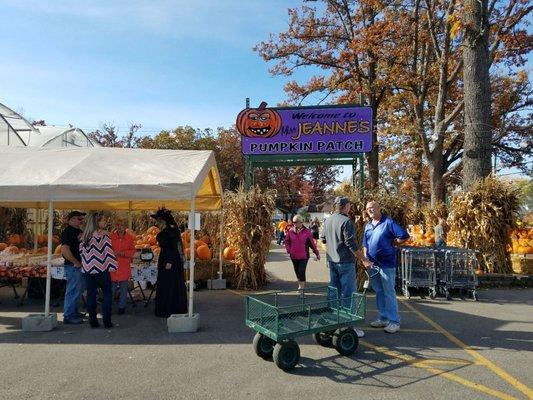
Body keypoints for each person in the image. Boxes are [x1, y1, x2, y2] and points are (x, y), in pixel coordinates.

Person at [321, 196, 373, 338]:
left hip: (332, 262)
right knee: (349, 294)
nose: (350, 208)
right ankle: (349, 326)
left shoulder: (328, 220)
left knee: (334, 293)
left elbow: (323, 239)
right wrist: (364, 260)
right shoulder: (346, 221)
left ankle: (333, 321)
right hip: (345, 262)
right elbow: (351, 244)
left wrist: (332, 250)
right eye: (349, 205)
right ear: (344, 207)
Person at [363, 201, 409, 334]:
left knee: (389, 292)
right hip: (373, 265)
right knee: (379, 291)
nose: (370, 210)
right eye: (368, 209)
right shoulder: (368, 226)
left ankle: (394, 321)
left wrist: (394, 242)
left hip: (386, 264)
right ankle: (383, 318)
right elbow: (365, 243)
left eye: (372, 208)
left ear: (378, 208)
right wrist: (365, 258)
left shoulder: (388, 222)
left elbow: (404, 236)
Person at [79, 212, 118, 328]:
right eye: (103, 221)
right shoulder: (103, 236)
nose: (105, 222)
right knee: (107, 294)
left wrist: (87, 263)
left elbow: (81, 252)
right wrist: (112, 266)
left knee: (91, 295)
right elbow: (108, 252)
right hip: (101, 269)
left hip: (88, 270)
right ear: (98, 222)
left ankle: (93, 321)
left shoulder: (84, 236)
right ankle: (107, 321)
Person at [151, 208, 188, 318]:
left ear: (163, 221)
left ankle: (170, 308)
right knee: (167, 283)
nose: (156, 223)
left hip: (170, 261)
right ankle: (167, 307)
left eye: (158, 221)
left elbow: (172, 248)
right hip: (166, 259)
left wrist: (169, 261)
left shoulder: (170, 232)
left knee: (170, 283)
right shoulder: (167, 231)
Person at [61, 211, 86, 325]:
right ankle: (68, 316)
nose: (81, 221)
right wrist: (75, 262)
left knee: (78, 290)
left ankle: (74, 312)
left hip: (78, 266)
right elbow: (65, 249)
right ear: (71, 220)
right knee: (72, 290)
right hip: (73, 266)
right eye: (78, 219)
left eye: (81, 219)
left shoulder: (79, 231)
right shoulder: (68, 232)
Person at [284, 215, 320, 290]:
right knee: (297, 271)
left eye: (296, 222)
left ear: (301, 222)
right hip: (293, 255)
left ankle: (302, 289)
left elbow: (312, 244)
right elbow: (287, 241)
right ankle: (300, 285)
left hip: (304, 256)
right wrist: (288, 250)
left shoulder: (307, 231)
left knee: (301, 271)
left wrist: (317, 253)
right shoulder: (290, 231)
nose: (294, 224)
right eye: (294, 222)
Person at [110, 218, 135, 314]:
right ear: (115, 226)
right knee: (111, 289)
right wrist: (113, 253)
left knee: (124, 290)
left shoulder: (129, 238)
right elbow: (106, 250)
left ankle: (122, 308)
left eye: (122, 225)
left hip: (124, 267)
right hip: (112, 268)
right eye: (118, 225)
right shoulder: (111, 236)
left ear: (125, 227)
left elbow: (132, 251)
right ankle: (108, 306)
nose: (120, 227)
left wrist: (122, 253)